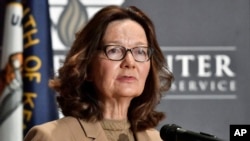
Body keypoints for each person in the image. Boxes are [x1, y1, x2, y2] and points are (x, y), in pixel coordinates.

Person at [24, 5, 173, 141]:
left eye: (140, 51)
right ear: (86, 66)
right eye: (114, 50)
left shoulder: (157, 139)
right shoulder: (51, 137)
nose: (130, 62)